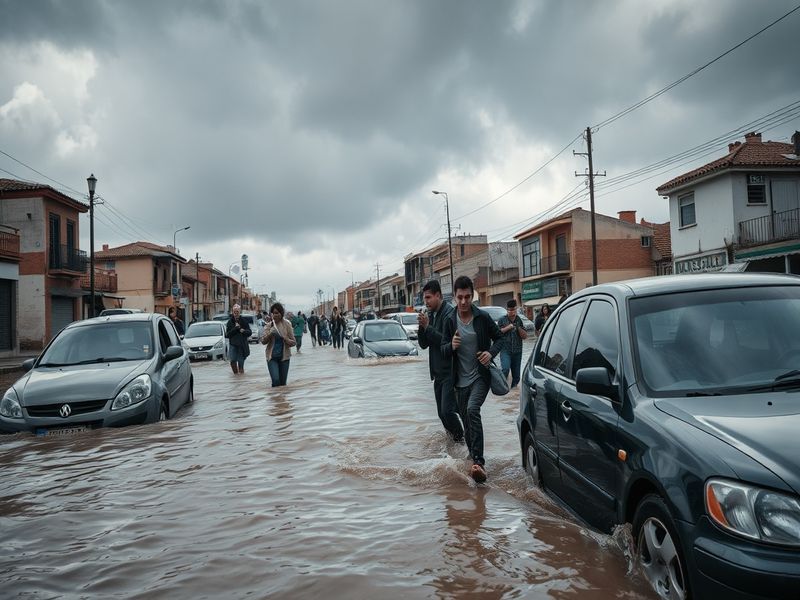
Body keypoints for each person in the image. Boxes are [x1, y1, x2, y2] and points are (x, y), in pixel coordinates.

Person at [442, 275, 504, 483]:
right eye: (460, 297)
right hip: (458, 381)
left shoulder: (482, 317)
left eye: (468, 297)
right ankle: (473, 459)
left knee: (472, 410)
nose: (464, 302)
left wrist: (490, 353)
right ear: (454, 297)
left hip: (480, 376)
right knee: (466, 422)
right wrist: (451, 345)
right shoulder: (449, 320)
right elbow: (442, 349)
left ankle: (479, 461)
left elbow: (500, 338)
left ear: (473, 295)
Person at [417, 279, 464, 443]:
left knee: (447, 411)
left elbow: (446, 342)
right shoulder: (431, 315)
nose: (426, 301)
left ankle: (461, 441)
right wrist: (422, 327)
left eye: (429, 297)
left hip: (450, 371)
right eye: (425, 298)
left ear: (438, 295)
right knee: (441, 413)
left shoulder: (449, 314)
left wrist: (428, 327)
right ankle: (454, 445)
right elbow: (423, 345)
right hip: (437, 373)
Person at [261, 302, 296, 387]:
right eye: (273, 313)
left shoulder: (287, 324)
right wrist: (270, 334)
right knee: (276, 380)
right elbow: (263, 341)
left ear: (281, 313)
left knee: (283, 384)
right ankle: (274, 398)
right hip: (272, 357)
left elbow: (294, 342)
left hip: (284, 358)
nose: (275, 315)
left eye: (277, 313)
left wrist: (286, 339)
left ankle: (281, 399)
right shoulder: (269, 326)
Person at [497, 299, 528, 389]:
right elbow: (498, 333)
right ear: (507, 310)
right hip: (505, 350)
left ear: (516, 309)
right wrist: (508, 327)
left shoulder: (519, 320)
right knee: (505, 369)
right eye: (510, 310)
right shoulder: (502, 320)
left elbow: (525, 336)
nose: (512, 312)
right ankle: (501, 388)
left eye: (513, 309)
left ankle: (513, 392)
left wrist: (518, 328)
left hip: (517, 351)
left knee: (517, 377)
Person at [225, 304, 252, 374]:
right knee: (232, 360)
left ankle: (240, 377)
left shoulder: (244, 321)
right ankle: (236, 376)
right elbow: (227, 335)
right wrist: (235, 329)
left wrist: (244, 331)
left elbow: (249, 332)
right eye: (234, 312)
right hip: (233, 345)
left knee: (241, 362)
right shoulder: (229, 322)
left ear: (240, 312)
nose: (236, 313)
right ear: (232, 312)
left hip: (242, 345)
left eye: (237, 312)